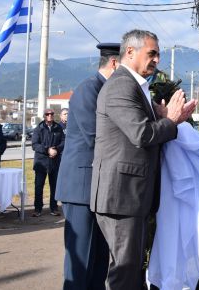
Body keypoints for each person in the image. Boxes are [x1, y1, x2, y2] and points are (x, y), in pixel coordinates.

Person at [90, 30, 196, 290]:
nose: (157, 59)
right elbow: (141, 133)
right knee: (124, 271)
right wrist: (169, 121)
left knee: (131, 267)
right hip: (121, 196)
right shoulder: (121, 86)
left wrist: (167, 119)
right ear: (130, 52)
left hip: (130, 195)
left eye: (157, 54)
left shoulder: (134, 86)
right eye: (152, 53)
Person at [55, 42, 119, 290]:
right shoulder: (88, 90)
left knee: (99, 260)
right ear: (114, 63)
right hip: (81, 187)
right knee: (80, 262)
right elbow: (96, 136)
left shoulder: (106, 90)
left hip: (97, 187)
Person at [31, 109, 65, 217]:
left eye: (51, 114)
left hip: (54, 162)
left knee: (54, 186)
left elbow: (64, 141)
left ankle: (54, 208)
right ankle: (38, 209)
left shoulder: (58, 128)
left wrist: (57, 150)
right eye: (47, 114)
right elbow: (35, 145)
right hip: (41, 162)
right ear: (44, 116)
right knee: (39, 186)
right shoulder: (39, 129)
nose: (50, 116)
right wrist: (47, 150)